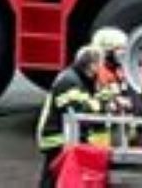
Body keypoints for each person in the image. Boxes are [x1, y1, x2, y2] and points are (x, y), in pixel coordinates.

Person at [37, 47, 101, 186]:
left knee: (55, 176)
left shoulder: (77, 78)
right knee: (54, 176)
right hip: (56, 137)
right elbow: (78, 110)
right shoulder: (70, 81)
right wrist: (100, 105)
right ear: (91, 65)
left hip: (61, 135)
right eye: (99, 64)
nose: (100, 67)